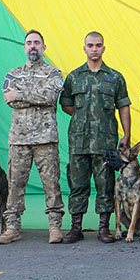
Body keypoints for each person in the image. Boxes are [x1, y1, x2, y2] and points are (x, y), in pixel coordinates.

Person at [59, 31, 131, 244]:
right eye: (90, 45)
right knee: (77, 184)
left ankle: (104, 228)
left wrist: (126, 134)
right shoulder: (74, 77)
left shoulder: (115, 77)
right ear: (84, 48)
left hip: (105, 141)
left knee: (105, 184)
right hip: (79, 141)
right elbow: (66, 104)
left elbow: (124, 106)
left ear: (103, 48)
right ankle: (75, 228)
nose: (94, 49)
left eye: (98, 45)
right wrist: (85, 117)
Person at [0, 29, 64, 244]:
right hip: (19, 138)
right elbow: (9, 99)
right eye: (29, 43)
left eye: (37, 42)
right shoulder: (13, 74)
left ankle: (55, 226)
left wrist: (21, 94)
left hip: (45, 138)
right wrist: (31, 97)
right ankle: (12, 227)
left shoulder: (54, 73)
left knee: (51, 184)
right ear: (24, 47)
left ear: (44, 47)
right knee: (14, 184)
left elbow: (51, 95)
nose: (33, 46)